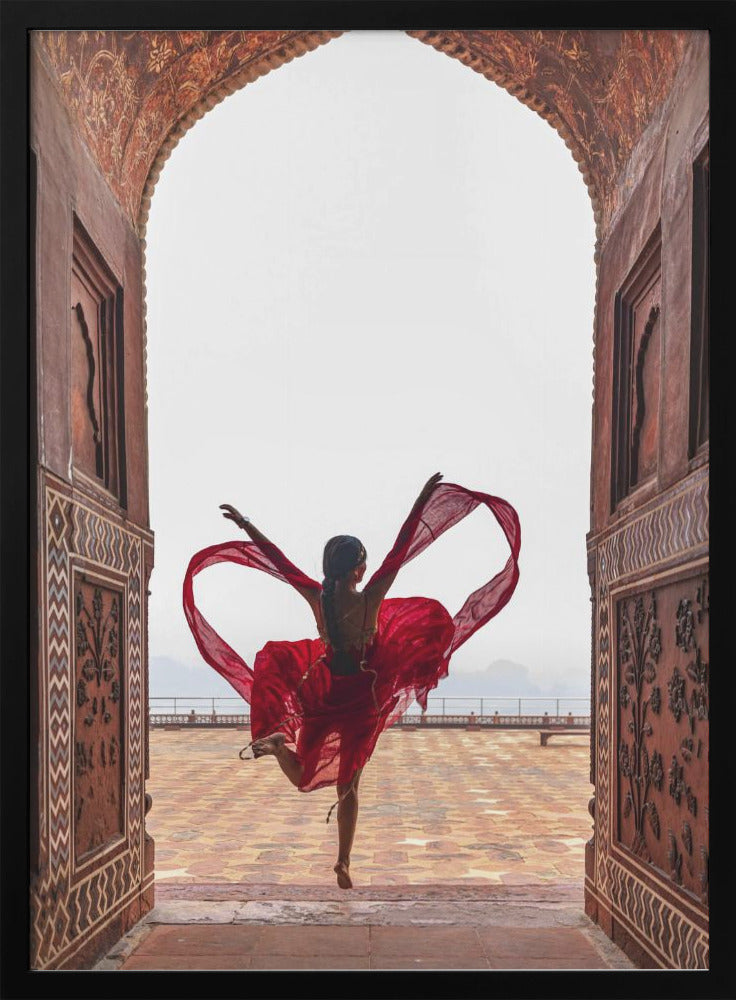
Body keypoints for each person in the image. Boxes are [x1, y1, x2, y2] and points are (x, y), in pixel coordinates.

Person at [183, 474, 521, 889]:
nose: (368, 566)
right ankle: (338, 852)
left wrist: (246, 524)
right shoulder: (370, 599)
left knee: (311, 776)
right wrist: (422, 498)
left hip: (329, 693)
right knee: (345, 785)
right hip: (359, 698)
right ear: (358, 569)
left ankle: (330, 839)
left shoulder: (319, 598)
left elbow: (279, 561)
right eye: (364, 561)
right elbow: (401, 550)